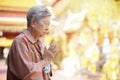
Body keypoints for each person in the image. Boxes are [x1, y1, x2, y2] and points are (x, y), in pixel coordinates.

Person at [7, 5, 58, 80]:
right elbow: (27, 74)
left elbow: (46, 72)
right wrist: (45, 61)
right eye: (45, 23)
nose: (47, 28)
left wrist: (48, 61)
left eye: (48, 24)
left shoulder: (40, 42)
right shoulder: (20, 41)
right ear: (33, 22)